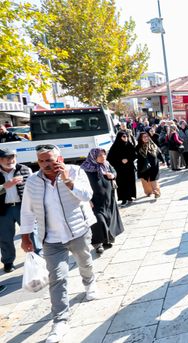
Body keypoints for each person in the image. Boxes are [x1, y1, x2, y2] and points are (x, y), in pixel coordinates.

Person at [19, 144, 98, 343]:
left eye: (50, 159)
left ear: (60, 159)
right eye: (42, 161)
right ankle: (60, 321)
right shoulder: (33, 182)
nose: (46, 164)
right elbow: (27, 211)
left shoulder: (76, 171)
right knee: (57, 278)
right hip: (51, 239)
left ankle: (89, 283)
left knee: (85, 262)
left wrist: (67, 181)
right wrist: (26, 236)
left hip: (78, 231)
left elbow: (87, 196)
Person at [0, 148, 38, 273]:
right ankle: (8, 261)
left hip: (23, 207)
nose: (10, 160)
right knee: (5, 237)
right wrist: (5, 186)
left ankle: (37, 256)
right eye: (7, 158)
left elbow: (35, 188)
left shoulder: (25, 169)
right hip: (3, 209)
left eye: (12, 157)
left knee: (32, 232)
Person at [81, 148, 123, 253]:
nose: (103, 157)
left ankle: (107, 240)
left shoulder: (106, 164)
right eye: (100, 155)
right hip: (94, 200)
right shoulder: (85, 169)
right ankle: (97, 244)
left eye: (104, 155)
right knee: (98, 221)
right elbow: (82, 185)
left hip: (108, 198)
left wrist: (112, 175)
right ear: (93, 156)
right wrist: (87, 200)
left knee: (108, 219)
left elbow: (114, 172)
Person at [107, 131, 137, 207]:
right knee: (121, 183)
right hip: (119, 169)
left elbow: (134, 155)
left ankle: (130, 197)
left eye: (126, 136)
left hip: (129, 168)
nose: (125, 138)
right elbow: (110, 158)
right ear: (119, 137)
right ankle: (124, 199)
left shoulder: (129, 145)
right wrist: (120, 161)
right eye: (123, 136)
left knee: (130, 182)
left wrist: (128, 159)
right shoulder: (115, 146)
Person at [135, 131, 164, 198]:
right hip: (143, 166)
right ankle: (149, 192)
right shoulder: (138, 147)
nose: (146, 138)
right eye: (144, 137)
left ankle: (156, 192)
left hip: (154, 164)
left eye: (147, 136)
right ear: (141, 138)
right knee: (145, 180)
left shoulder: (153, 144)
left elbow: (159, 153)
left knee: (153, 179)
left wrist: (163, 160)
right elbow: (134, 156)